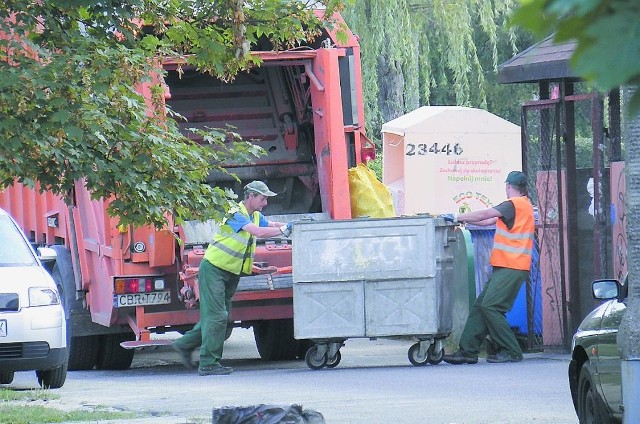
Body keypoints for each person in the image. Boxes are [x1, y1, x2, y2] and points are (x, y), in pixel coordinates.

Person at [172, 180, 292, 375]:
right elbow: (259, 232)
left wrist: (291, 225)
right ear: (251, 197)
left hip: (230, 272)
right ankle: (208, 364)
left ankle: (184, 344)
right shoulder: (236, 214)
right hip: (214, 270)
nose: (265, 203)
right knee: (218, 316)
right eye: (263, 198)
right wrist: (283, 231)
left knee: (217, 316)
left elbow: (271, 224)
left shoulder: (254, 214)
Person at [441, 171, 535, 364]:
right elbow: (487, 220)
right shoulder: (522, 206)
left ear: (509, 186)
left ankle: (511, 350)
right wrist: (462, 221)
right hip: (508, 265)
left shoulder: (513, 204)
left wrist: (456, 215)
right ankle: (467, 351)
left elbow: (485, 214)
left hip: (512, 266)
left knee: (491, 307)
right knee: (480, 307)